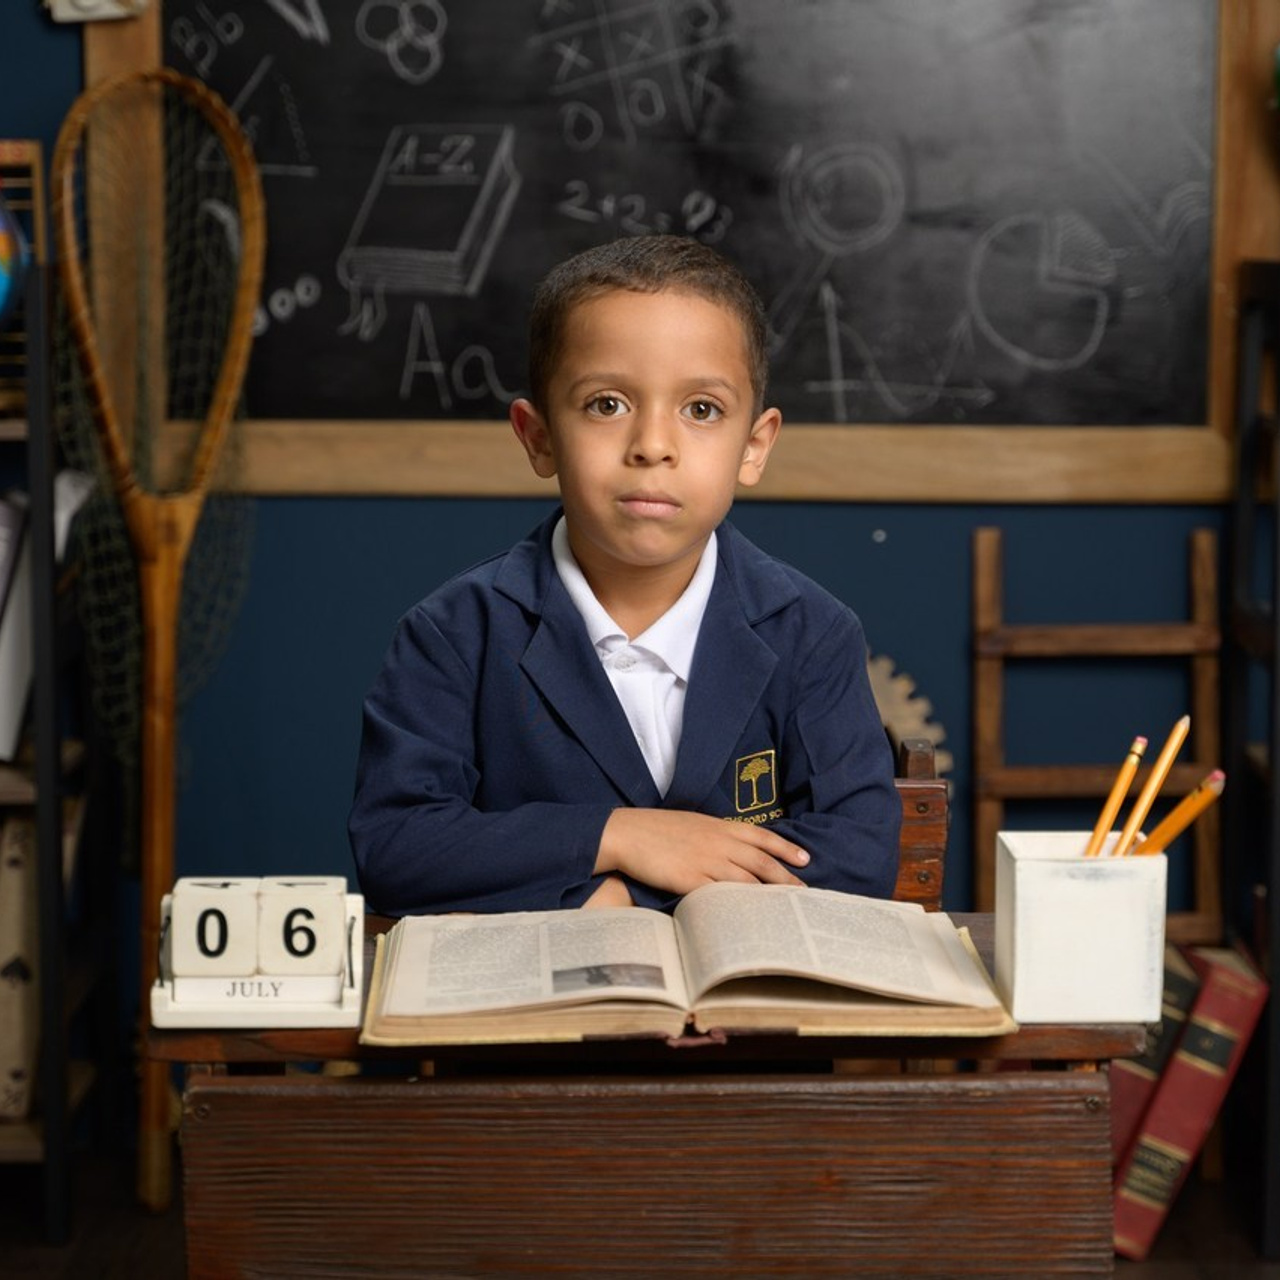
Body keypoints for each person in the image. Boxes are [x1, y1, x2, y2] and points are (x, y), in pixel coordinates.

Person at [349, 234, 901, 916]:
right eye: (607, 404)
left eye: (701, 410)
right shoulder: (453, 633)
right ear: (538, 436)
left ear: (753, 447)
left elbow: (862, 855)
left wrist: (625, 895)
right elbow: (397, 846)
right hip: (534, 1015)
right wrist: (617, 835)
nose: (652, 446)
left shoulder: (811, 632)